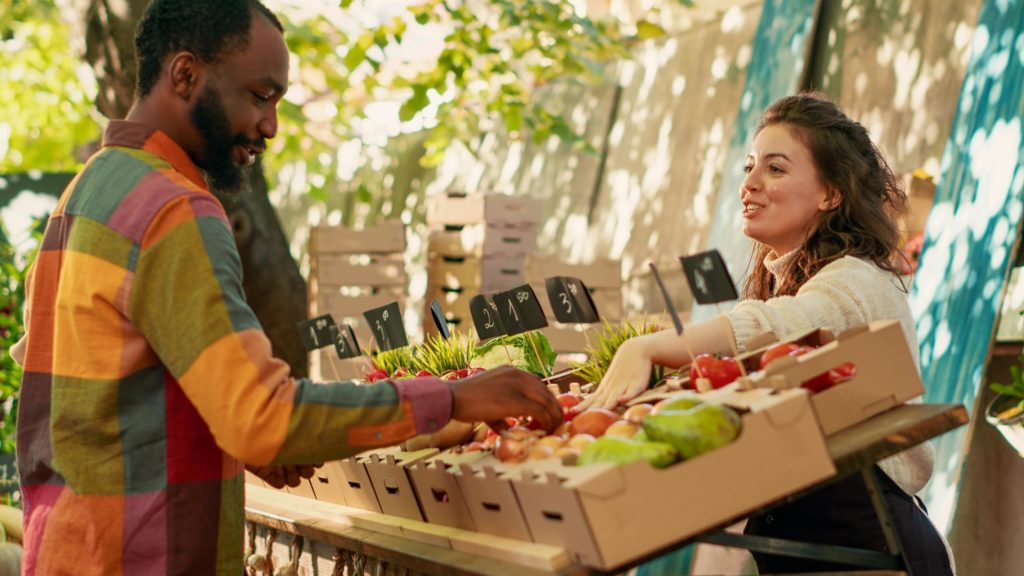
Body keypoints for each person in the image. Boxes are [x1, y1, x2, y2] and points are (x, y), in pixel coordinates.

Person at [8, 1, 562, 574]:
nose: (270, 124)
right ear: (185, 75)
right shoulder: (175, 209)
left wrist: (236, 442)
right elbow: (262, 418)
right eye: (259, 95)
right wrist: (456, 397)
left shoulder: (87, 192)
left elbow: (96, 392)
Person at [580, 93, 954, 574]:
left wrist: (648, 346)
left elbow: (784, 324)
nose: (749, 184)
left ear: (831, 193)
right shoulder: (792, 281)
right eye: (750, 166)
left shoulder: (854, 279)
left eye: (775, 169)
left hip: (875, 553)